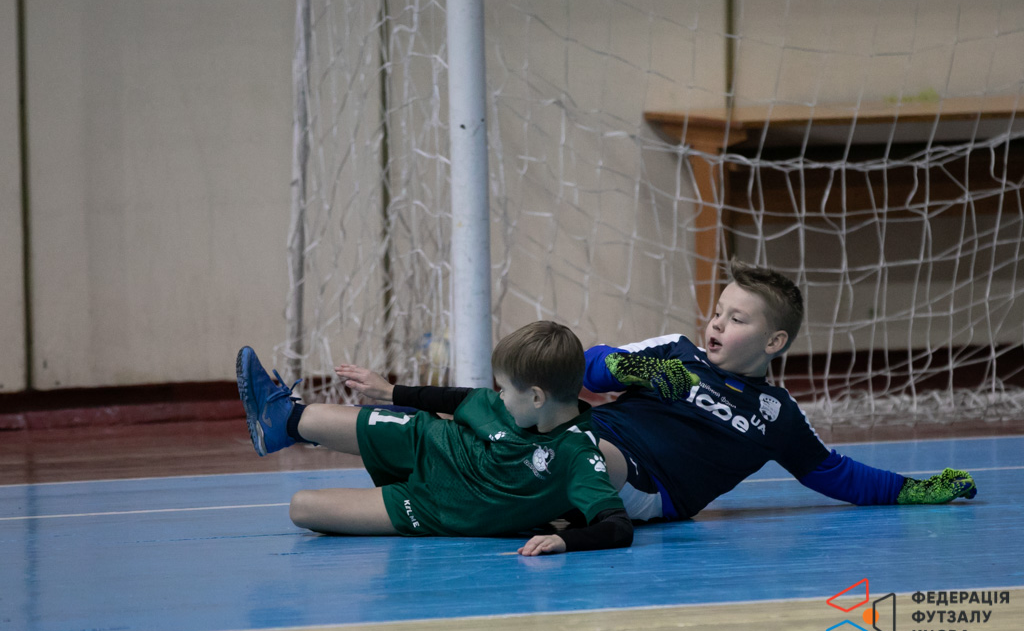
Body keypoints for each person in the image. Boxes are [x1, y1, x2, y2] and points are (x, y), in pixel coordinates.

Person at [353, 260, 977, 523]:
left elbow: (833, 473)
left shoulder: (775, 414)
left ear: (775, 341)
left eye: (737, 319)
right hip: (588, 434)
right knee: (522, 403)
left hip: (647, 484)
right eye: (718, 311)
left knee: (562, 448)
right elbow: (584, 370)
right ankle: (324, 422)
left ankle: (435, 485)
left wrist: (914, 490)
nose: (717, 324)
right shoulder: (675, 353)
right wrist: (636, 370)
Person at [235, 321, 633, 555]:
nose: (499, 395)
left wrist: (565, 542)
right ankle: (283, 422)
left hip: (433, 507)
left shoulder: (578, 454)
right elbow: (458, 399)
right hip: (429, 442)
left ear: (537, 397)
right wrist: (391, 391)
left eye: (505, 388)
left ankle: (291, 426)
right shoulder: (512, 406)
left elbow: (617, 526)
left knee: (302, 508)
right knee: (314, 418)